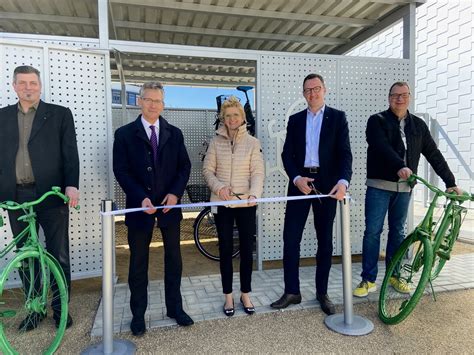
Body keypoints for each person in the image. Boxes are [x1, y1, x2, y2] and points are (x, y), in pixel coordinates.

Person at [353, 81, 461, 298]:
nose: (399, 99)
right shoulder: (377, 121)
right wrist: (399, 166)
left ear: (409, 97)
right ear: (389, 98)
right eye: (395, 95)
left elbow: (433, 154)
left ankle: (394, 275)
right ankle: (368, 279)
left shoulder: (418, 125)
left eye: (403, 95)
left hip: (404, 189)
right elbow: (380, 146)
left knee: (398, 231)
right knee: (373, 232)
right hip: (379, 186)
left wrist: (450, 182)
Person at [0, 65, 80, 330]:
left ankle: (61, 310)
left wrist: (71, 186)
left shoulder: (59, 115)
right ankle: (35, 309)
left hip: (51, 194)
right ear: (14, 86)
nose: (28, 88)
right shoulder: (2, 117)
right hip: (15, 196)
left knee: (58, 254)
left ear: (40, 85)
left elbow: (70, 152)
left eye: (32, 83)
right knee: (26, 255)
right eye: (22, 83)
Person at [113, 81, 193, 336]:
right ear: (140, 101)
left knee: (174, 260)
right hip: (140, 209)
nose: (153, 105)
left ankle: (175, 308)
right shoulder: (124, 134)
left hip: (170, 209)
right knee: (138, 263)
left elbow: (184, 167)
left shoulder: (174, 133)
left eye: (158, 101)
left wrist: (175, 194)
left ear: (163, 103)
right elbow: (121, 170)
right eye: (149, 100)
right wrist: (139, 198)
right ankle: (138, 314)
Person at [271, 74, 352, 315]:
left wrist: (343, 182)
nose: (312, 93)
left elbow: (345, 154)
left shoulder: (337, 118)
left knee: (325, 241)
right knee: (290, 238)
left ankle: (322, 293)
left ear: (324, 90)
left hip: (326, 186)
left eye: (316, 88)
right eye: (307, 90)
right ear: (303, 93)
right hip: (299, 184)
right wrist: (296, 178)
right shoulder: (295, 120)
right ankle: (292, 291)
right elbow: (287, 155)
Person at [203, 96, 264, 317]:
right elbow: (208, 171)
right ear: (223, 118)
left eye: (235, 115)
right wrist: (219, 188)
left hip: (246, 203)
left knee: (247, 250)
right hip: (222, 204)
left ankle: (245, 293)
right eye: (227, 116)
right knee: (226, 249)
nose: (231, 119)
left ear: (242, 117)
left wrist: (254, 194)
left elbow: (257, 172)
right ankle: (228, 295)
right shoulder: (215, 142)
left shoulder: (253, 143)